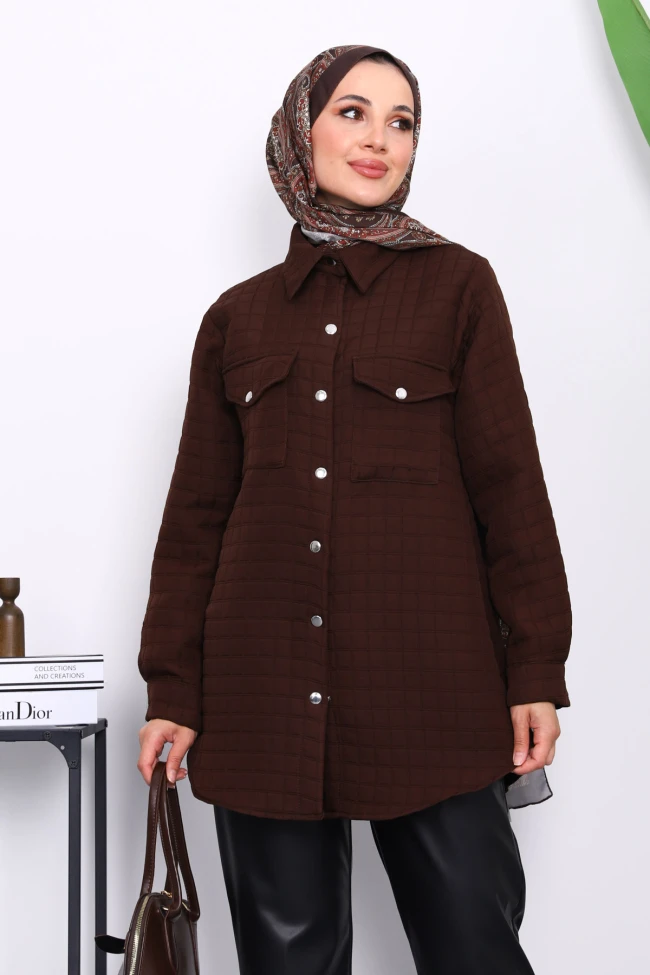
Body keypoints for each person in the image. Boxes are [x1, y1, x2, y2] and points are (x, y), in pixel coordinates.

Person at [136, 44, 572, 975]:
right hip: (262, 694)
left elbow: (511, 488)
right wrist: (171, 686)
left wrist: (536, 665)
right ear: (301, 130)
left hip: (433, 691)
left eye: (401, 121)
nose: (379, 138)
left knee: (473, 948)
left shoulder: (459, 288)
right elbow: (196, 518)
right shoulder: (236, 319)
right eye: (353, 112)